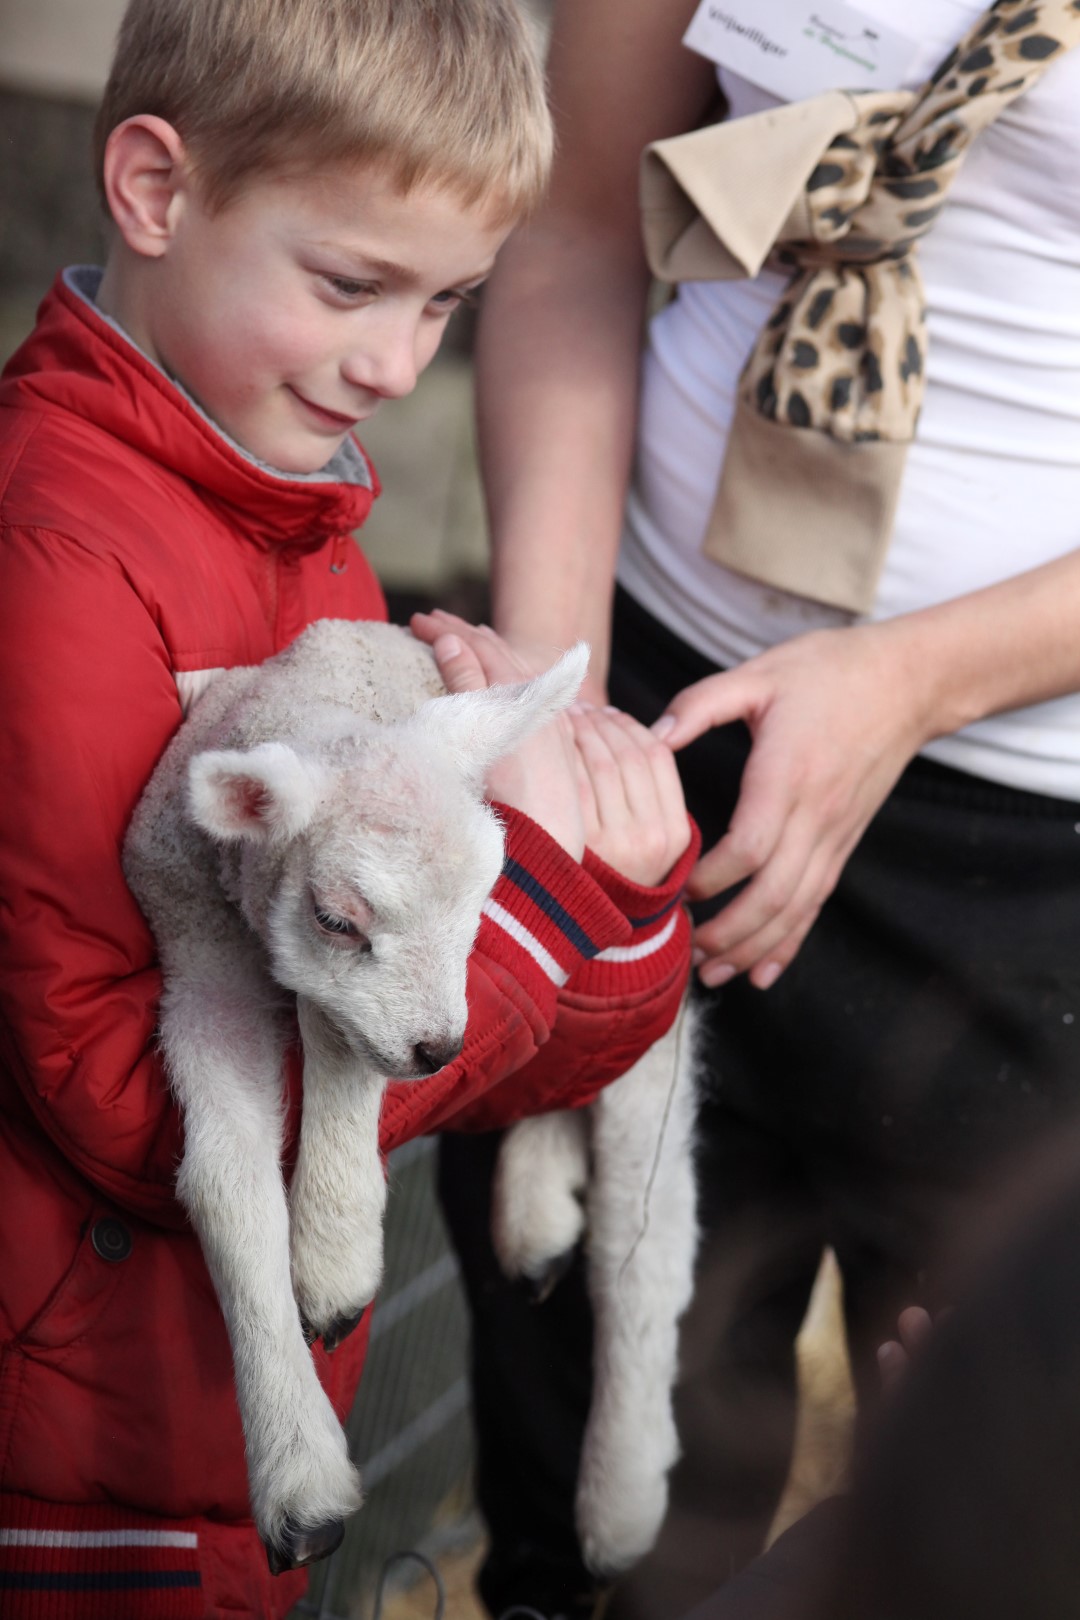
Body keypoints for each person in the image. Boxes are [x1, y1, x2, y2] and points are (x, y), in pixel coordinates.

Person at [0, 4, 698, 1615]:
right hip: (79, 1462)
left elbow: (464, 1014)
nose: (397, 362)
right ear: (157, 190)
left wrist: (611, 893)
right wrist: (554, 922)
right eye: (350, 284)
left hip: (234, 1448)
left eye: (448, 301)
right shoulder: (62, 562)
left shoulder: (309, 537)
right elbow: (110, 1086)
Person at [432, 0, 1080, 1615]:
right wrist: (553, 719)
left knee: (982, 1539)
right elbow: (579, 226)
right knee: (592, 1499)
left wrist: (913, 680)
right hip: (645, 728)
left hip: (1031, 864)